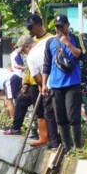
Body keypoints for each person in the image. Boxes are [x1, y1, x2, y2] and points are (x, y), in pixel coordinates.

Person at [42, 14, 85, 151]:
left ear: (67, 25)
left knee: (73, 116)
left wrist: (68, 43)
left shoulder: (76, 39)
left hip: (72, 83)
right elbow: (46, 64)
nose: (58, 29)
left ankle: (77, 147)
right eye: (56, 27)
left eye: (61, 26)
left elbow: (80, 55)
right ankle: (66, 147)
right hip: (55, 85)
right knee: (60, 117)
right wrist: (44, 84)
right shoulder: (50, 42)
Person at [25, 14, 59, 149]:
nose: (29, 30)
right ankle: (44, 137)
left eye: (31, 27)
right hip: (36, 82)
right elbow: (29, 69)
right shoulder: (31, 42)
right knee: (41, 111)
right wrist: (26, 82)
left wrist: (43, 83)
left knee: (50, 111)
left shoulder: (51, 39)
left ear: (39, 25)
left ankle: (53, 139)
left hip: (49, 81)